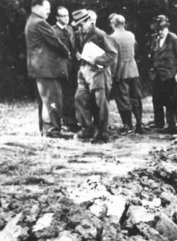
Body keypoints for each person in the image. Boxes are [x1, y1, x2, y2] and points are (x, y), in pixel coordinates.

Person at [25, 0, 71, 138]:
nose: (49, 11)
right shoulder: (39, 23)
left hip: (40, 68)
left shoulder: (31, 21)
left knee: (46, 101)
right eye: (46, 8)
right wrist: (67, 52)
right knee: (53, 100)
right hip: (47, 69)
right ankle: (53, 132)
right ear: (37, 7)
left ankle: (47, 130)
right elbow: (55, 42)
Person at [72, 9, 117, 143]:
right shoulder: (79, 33)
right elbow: (78, 49)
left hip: (99, 73)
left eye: (81, 24)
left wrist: (96, 60)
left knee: (100, 104)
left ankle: (102, 133)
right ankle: (87, 128)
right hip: (84, 71)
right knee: (80, 98)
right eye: (77, 25)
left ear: (88, 21)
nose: (79, 28)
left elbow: (112, 54)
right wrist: (78, 54)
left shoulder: (100, 34)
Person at [149, 15, 177, 135]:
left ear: (167, 28)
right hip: (159, 75)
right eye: (157, 29)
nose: (160, 32)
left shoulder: (173, 39)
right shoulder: (154, 39)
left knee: (175, 102)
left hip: (172, 75)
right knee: (163, 101)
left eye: (162, 29)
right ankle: (170, 126)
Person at [109, 14, 144, 134]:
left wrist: (112, 74)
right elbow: (136, 50)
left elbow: (113, 58)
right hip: (133, 70)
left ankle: (127, 124)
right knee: (136, 97)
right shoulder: (131, 35)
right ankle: (139, 124)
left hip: (121, 72)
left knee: (123, 99)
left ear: (113, 24)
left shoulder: (112, 37)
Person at [51, 6, 79, 133]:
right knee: (63, 94)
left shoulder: (70, 29)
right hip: (60, 68)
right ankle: (65, 121)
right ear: (57, 17)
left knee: (72, 93)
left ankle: (71, 121)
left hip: (72, 66)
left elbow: (73, 47)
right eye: (63, 16)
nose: (66, 18)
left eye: (67, 15)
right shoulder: (53, 31)